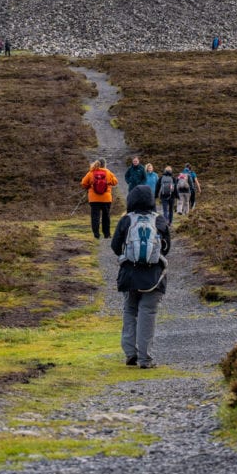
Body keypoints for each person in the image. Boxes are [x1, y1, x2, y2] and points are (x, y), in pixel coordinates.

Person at [111, 184, 171, 368]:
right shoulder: (159, 220)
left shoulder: (126, 220)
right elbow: (167, 248)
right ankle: (145, 359)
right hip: (153, 277)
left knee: (130, 310)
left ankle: (130, 353)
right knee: (148, 313)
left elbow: (115, 246)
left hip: (130, 275)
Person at [81, 158, 118, 239]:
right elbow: (115, 182)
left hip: (94, 199)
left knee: (95, 217)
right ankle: (107, 234)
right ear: (104, 164)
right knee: (106, 216)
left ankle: (96, 234)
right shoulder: (108, 172)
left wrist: (89, 187)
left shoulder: (91, 172)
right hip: (106, 199)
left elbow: (83, 183)